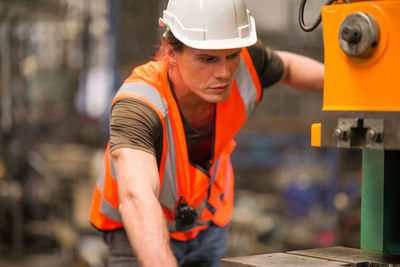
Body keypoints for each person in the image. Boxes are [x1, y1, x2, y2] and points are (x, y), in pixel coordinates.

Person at [89, 0, 324, 266]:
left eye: (232, 56)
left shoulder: (246, 62)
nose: (224, 72)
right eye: (207, 59)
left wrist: (353, 89)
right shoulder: (137, 106)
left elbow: (289, 68)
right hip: (138, 234)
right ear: (171, 50)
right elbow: (137, 197)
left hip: (207, 221)